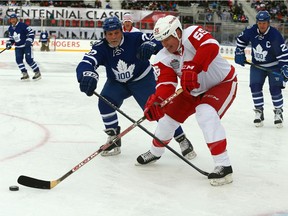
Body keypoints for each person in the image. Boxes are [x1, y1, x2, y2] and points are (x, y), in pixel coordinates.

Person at [136, 15, 237, 186]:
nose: (165, 44)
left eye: (167, 38)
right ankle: (155, 151)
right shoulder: (162, 57)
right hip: (190, 90)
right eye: (161, 40)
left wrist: (194, 66)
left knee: (205, 114)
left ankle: (223, 165)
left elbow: (211, 46)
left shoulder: (191, 33)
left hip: (221, 84)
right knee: (166, 120)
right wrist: (158, 101)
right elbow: (166, 85)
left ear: (177, 32)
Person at [76, 16, 196, 159]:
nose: (113, 37)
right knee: (104, 103)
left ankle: (182, 139)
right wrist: (86, 75)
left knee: (159, 109)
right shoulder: (100, 47)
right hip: (117, 84)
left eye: (116, 33)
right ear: (105, 35)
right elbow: (87, 62)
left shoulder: (135, 37)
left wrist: (152, 44)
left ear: (122, 31)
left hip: (142, 81)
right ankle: (114, 139)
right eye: (109, 34)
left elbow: (157, 37)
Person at [235, 10, 288, 128]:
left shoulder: (275, 35)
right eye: (259, 23)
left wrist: (284, 66)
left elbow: (283, 54)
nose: (262, 25)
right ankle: (259, 111)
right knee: (255, 87)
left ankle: (278, 112)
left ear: (268, 23)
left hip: (273, 66)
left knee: (275, 89)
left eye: (264, 23)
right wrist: (239, 50)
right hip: (257, 66)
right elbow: (241, 40)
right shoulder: (251, 30)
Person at [5, 14, 41, 81]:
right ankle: (25, 73)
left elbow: (31, 32)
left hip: (26, 46)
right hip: (18, 47)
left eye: (14, 19)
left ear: (16, 19)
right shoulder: (10, 28)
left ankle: (37, 72)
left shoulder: (22, 25)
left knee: (29, 60)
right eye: (11, 19)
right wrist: (9, 43)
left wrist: (29, 40)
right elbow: (11, 38)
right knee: (18, 60)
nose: (12, 20)